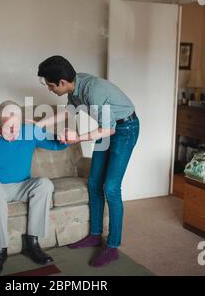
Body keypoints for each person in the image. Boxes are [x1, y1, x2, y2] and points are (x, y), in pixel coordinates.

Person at [36, 55, 139, 267]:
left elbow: (109, 129)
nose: (49, 89)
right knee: (93, 183)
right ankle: (94, 234)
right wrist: (39, 123)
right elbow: (68, 111)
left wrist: (77, 137)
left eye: (50, 85)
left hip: (125, 129)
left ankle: (112, 246)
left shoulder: (93, 90)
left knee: (110, 187)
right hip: (108, 128)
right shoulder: (75, 85)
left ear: (62, 83)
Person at [0, 100, 69, 275]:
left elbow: (55, 143)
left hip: (21, 186)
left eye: (17, 127)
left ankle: (32, 243)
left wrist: (66, 137)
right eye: (9, 127)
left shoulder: (28, 131)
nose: (15, 133)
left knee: (45, 184)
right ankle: (0, 250)